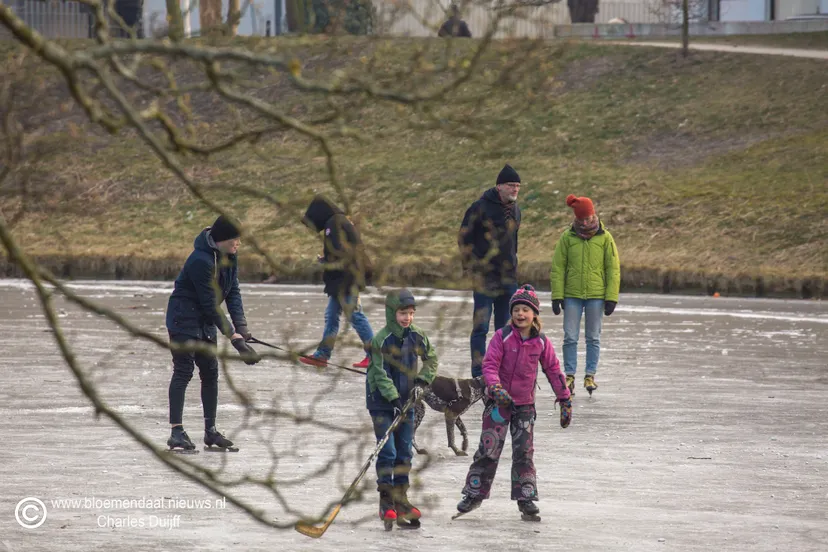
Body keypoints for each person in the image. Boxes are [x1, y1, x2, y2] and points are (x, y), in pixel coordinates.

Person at [456, 285, 572, 520]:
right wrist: (495, 388)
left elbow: (553, 369)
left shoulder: (540, 341)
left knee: (524, 454)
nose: (520, 314)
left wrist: (564, 399)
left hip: (524, 406)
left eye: (525, 310)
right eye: (517, 309)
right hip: (498, 404)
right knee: (488, 450)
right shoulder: (502, 336)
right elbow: (489, 365)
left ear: (534, 315)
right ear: (511, 313)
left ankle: (525, 497)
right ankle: (474, 493)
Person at [165, 215, 260, 452]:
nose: (238, 244)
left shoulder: (229, 257)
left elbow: (233, 292)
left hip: (205, 322)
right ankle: (177, 431)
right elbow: (209, 302)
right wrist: (232, 337)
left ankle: (211, 431)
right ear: (222, 239)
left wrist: (242, 329)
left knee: (210, 372)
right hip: (183, 320)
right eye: (234, 239)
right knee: (184, 371)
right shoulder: (201, 260)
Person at [366, 289, 438, 529]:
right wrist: (393, 398)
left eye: (410, 313)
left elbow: (431, 359)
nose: (407, 318)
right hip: (381, 402)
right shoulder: (381, 340)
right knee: (388, 451)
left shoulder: (417, 335)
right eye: (402, 313)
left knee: (404, 451)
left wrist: (421, 381)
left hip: (407, 401)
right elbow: (379, 372)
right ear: (391, 313)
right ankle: (386, 502)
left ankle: (401, 499)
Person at [549, 194, 620, 396]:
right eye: (582, 219)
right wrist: (557, 295)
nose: (586, 222)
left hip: (596, 296)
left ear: (594, 214)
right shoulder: (567, 237)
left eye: (588, 217)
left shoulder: (605, 237)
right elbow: (558, 267)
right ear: (576, 219)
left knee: (593, 337)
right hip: (572, 294)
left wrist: (611, 297)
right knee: (570, 336)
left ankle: (590, 375)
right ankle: (569, 374)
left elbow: (613, 269)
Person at [458, 164, 522, 378]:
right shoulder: (480, 207)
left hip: (508, 279)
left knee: (505, 328)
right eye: (511, 185)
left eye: (518, 186)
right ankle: (478, 372)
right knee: (481, 327)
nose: (515, 190)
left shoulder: (516, 210)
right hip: (484, 278)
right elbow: (464, 238)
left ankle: (500, 369)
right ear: (499, 186)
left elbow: (513, 242)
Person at [300, 195, 374, 368]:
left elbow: (341, 254)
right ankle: (322, 355)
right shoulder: (338, 222)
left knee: (355, 315)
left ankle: (375, 355)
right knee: (331, 316)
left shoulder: (334, 224)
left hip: (347, 280)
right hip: (342, 280)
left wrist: (326, 261)